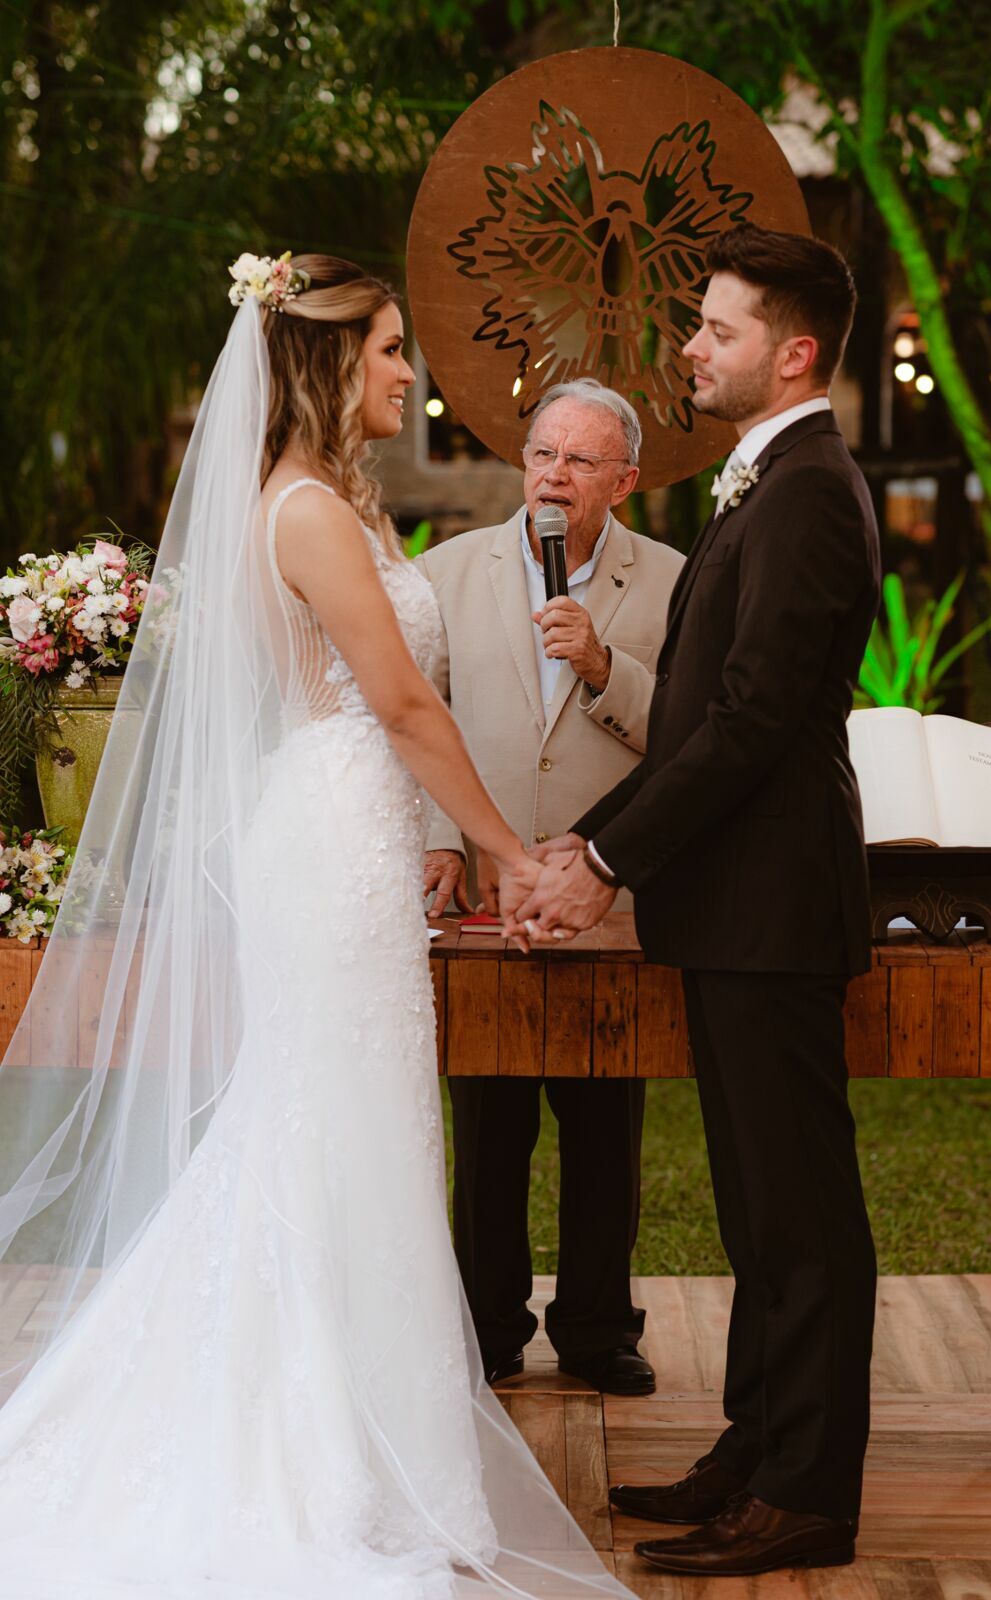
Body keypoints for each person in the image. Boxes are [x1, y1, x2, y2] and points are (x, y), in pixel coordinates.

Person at [0, 252, 635, 1600]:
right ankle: (318, 1457)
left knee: (359, 1130)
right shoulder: (306, 513)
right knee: (329, 1124)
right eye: (394, 349)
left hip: (354, 835)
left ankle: (360, 1430)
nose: (412, 374)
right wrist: (510, 851)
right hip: (330, 842)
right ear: (328, 360)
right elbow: (402, 706)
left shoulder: (342, 502)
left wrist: (433, 846)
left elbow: (376, 708)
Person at [503, 222, 881, 1579]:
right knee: (756, 1208)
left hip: (774, 909)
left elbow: (753, 721)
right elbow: (700, 735)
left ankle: (809, 1497)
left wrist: (600, 862)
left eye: (717, 329)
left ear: (789, 351)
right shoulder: (766, 484)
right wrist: (595, 844)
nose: (691, 347)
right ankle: (753, 1454)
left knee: (804, 1219)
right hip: (734, 908)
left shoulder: (809, 491)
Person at [417, 379, 684, 1394]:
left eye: (579, 462)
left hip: (603, 893)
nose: (554, 478)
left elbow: (692, 740)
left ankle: (598, 1325)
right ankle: (485, 1323)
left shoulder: (671, 580)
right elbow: (418, 720)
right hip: (485, 890)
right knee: (487, 1121)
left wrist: (607, 664)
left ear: (625, 477)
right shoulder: (447, 572)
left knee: (606, 1120)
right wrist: (443, 837)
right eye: (541, 455)